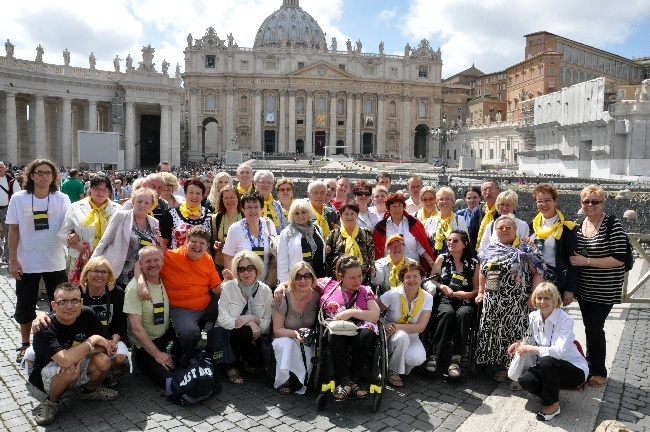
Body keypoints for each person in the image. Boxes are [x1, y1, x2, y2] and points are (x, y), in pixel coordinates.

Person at [8, 159, 70, 362]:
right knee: (25, 305)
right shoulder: (18, 198)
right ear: (31, 175)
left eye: (48, 173)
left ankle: (59, 341)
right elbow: (14, 230)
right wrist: (13, 259)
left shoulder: (61, 198)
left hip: (55, 261)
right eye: (40, 172)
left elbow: (70, 226)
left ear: (54, 177)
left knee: (60, 304)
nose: (44, 176)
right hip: (28, 262)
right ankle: (25, 344)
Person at [30, 283, 118, 426]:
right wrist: (93, 340)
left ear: (81, 302)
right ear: (53, 305)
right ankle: (51, 403)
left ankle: (89, 391)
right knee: (69, 368)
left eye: (75, 301)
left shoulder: (87, 314)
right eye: (63, 302)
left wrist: (85, 352)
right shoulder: (45, 327)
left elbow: (110, 345)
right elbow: (65, 361)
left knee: (103, 360)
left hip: (75, 362)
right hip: (46, 374)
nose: (69, 306)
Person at [476, 215, 546, 384]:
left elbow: (539, 272)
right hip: (494, 301)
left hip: (518, 302)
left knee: (516, 334)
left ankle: (518, 371)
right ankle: (503, 367)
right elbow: (481, 272)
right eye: (501, 228)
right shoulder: (489, 250)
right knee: (497, 334)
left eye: (508, 228)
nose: (505, 230)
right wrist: (481, 292)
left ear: (515, 230)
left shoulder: (526, 249)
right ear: (495, 231)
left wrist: (533, 295)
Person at [568, 185, 626, 387]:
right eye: (586, 201)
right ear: (581, 203)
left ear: (603, 203)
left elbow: (620, 258)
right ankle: (590, 364)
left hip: (605, 289)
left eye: (595, 201)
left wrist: (587, 262)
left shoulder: (612, 224)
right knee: (589, 328)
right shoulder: (580, 224)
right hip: (585, 289)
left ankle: (599, 371)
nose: (590, 205)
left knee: (595, 327)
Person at [139, 226, 222, 365]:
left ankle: (224, 355)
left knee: (231, 303)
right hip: (181, 308)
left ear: (207, 246)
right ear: (186, 242)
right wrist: (141, 283)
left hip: (205, 305)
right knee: (189, 332)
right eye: (194, 242)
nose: (197, 246)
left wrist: (230, 283)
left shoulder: (207, 258)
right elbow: (140, 264)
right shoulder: (170, 257)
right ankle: (190, 361)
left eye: (202, 243)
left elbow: (216, 289)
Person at [510, 282, 589, 421]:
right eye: (539, 298)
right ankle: (552, 396)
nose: (542, 302)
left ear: (555, 299)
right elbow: (530, 339)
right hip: (548, 368)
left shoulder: (566, 320)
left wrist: (529, 349)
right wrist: (519, 344)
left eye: (547, 298)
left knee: (548, 360)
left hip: (573, 370)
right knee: (525, 381)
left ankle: (552, 405)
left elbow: (558, 352)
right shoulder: (533, 317)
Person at [319, 256, 380, 400]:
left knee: (365, 336)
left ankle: (353, 380)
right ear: (340, 276)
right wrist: (282, 286)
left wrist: (351, 312)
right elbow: (301, 280)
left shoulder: (366, 290)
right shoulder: (328, 284)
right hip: (337, 327)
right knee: (335, 336)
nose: (358, 281)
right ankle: (346, 381)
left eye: (360, 276)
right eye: (352, 278)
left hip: (361, 327)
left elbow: (375, 315)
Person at [424, 230, 479, 378]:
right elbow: (431, 280)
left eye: (455, 241)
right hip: (445, 298)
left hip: (465, 300)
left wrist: (467, 294)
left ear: (465, 244)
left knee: (464, 313)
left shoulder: (474, 263)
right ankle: (434, 356)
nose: (450, 243)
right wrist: (442, 287)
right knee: (447, 313)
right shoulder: (442, 259)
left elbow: (476, 289)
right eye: (449, 240)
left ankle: (456, 359)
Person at [123, 246, 177, 387]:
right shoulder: (134, 289)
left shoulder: (165, 279)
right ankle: (140, 360)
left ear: (162, 261)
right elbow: (136, 328)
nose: (153, 264)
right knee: (166, 380)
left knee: (187, 361)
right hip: (146, 343)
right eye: (147, 261)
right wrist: (157, 355)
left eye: (156, 260)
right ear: (140, 264)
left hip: (165, 336)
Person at [217, 251, 272, 384]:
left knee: (259, 359)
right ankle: (231, 366)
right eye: (241, 269)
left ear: (257, 269)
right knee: (242, 332)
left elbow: (267, 325)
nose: (246, 273)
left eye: (250, 268)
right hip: (230, 336)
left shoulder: (265, 291)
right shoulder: (228, 287)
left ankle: (244, 361)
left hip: (254, 338)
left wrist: (252, 318)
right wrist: (249, 323)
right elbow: (222, 319)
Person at [377, 262, 433, 387]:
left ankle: (396, 365)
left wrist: (396, 326)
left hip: (412, 335)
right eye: (408, 277)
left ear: (421, 278)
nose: (412, 280)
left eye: (415, 276)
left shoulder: (428, 298)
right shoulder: (392, 294)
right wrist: (384, 324)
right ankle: (392, 371)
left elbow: (420, 327)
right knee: (401, 336)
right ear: (402, 279)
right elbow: (374, 310)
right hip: (391, 335)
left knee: (418, 358)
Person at [92, 188, 160, 288]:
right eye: (139, 201)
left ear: (151, 205)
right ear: (133, 201)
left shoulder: (154, 223)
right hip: (118, 273)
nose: (142, 205)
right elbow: (104, 242)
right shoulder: (120, 216)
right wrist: (92, 266)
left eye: (146, 203)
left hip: (142, 276)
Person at [271, 261, 320, 394]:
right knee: (287, 344)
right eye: (298, 277)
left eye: (307, 276)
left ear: (312, 278)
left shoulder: (317, 297)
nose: (302, 280)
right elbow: (277, 330)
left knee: (310, 351)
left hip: (307, 339)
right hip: (285, 336)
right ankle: (284, 379)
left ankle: (303, 380)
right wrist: (296, 333)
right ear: (292, 279)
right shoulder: (283, 297)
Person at [58, 174, 122, 272]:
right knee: (80, 287)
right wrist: (77, 244)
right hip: (81, 260)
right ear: (90, 189)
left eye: (104, 189)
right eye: (96, 188)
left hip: (107, 261)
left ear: (109, 191)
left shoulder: (118, 210)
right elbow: (63, 233)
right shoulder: (75, 207)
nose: (100, 192)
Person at [529, 184, 578, 306]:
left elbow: (573, 260)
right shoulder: (532, 226)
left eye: (547, 200)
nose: (544, 204)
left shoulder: (566, 228)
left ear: (555, 201)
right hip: (531, 280)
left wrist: (569, 289)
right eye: (539, 201)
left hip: (554, 280)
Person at [373, 193, 435, 274]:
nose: (397, 209)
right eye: (394, 206)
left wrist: (431, 261)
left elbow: (421, 246)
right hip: (390, 271)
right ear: (388, 208)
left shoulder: (413, 223)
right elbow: (379, 250)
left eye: (399, 206)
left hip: (412, 269)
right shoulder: (382, 227)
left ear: (404, 207)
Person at [223, 190, 277, 282]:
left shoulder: (269, 224)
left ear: (262, 209)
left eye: (256, 207)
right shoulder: (235, 228)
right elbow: (228, 258)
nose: (253, 211)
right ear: (243, 209)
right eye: (248, 207)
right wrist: (233, 282)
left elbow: (275, 251)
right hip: (241, 284)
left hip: (264, 284)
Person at [277, 200, 326, 283]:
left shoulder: (318, 229)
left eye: (303, 212)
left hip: (318, 277)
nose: (300, 216)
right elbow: (282, 262)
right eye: (296, 213)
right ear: (292, 215)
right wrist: (284, 283)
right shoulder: (286, 233)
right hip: (298, 279)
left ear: (309, 213)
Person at [326, 202, 375, 282]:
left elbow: (371, 256)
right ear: (341, 216)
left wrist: (372, 267)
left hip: (362, 278)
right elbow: (329, 257)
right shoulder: (334, 234)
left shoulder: (365, 233)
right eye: (346, 214)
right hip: (340, 279)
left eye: (352, 214)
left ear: (357, 215)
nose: (349, 217)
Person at [160, 178, 211, 251]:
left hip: (201, 260)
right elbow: (163, 243)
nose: (194, 196)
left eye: (198, 193)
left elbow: (209, 242)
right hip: (176, 260)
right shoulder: (172, 213)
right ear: (185, 194)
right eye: (191, 192)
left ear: (202, 196)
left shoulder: (208, 214)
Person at [211, 185, 243, 277]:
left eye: (232, 197)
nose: (229, 201)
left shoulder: (245, 216)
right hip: (220, 263)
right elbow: (213, 237)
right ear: (222, 200)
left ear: (238, 198)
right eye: (226, 198)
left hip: (241, 263)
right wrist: (215, 243)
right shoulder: (216, 218)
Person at [425, 187, 468, 256]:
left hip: (454, 260)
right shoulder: (430, 221)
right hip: (434, 261)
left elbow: (465, 241)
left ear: (453, 203)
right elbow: (425, 243)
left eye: (447, 199)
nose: (444, 202)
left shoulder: (459, 220)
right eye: (441, 199)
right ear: (437, 203)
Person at [469, 178, 501, 249]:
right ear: (481, 193)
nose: (488, 192)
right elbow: (472, 235)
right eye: (485, 190)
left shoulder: (503, 209)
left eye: (491, 189)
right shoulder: (477, 210)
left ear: (498, 191)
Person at [0, 161, 21, 263]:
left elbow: (18, 196)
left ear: (5, 168)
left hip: (6, 208)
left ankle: (6, 255)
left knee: (8, 232)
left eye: (1, 167)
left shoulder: (11, 181)